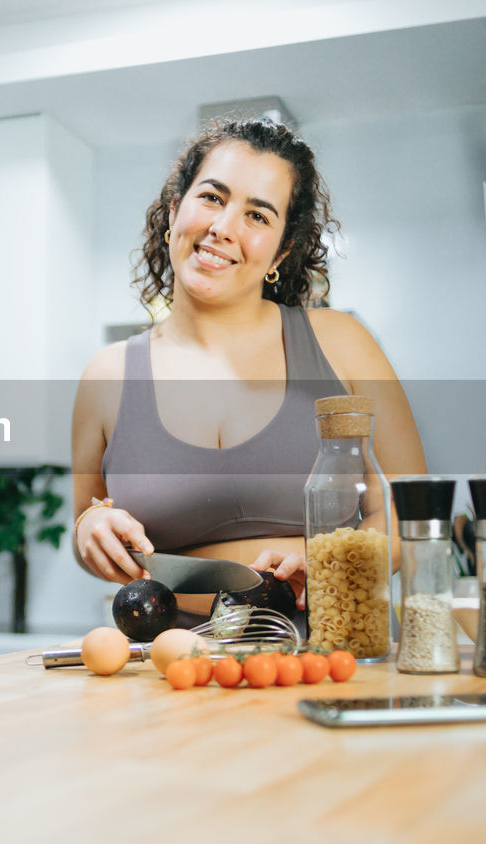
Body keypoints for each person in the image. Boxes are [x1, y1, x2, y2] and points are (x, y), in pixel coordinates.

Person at [71, 117, 426, 622]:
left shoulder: (342, 344)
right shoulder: (105, 377)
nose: (224, 228)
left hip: (331, 657)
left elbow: (409, 512)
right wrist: (90, 531)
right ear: (175, 210)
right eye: (212, 198)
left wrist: (325, 559)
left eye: (258, 215)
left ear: (281, 250)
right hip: (166, 667)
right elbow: (88, 521)